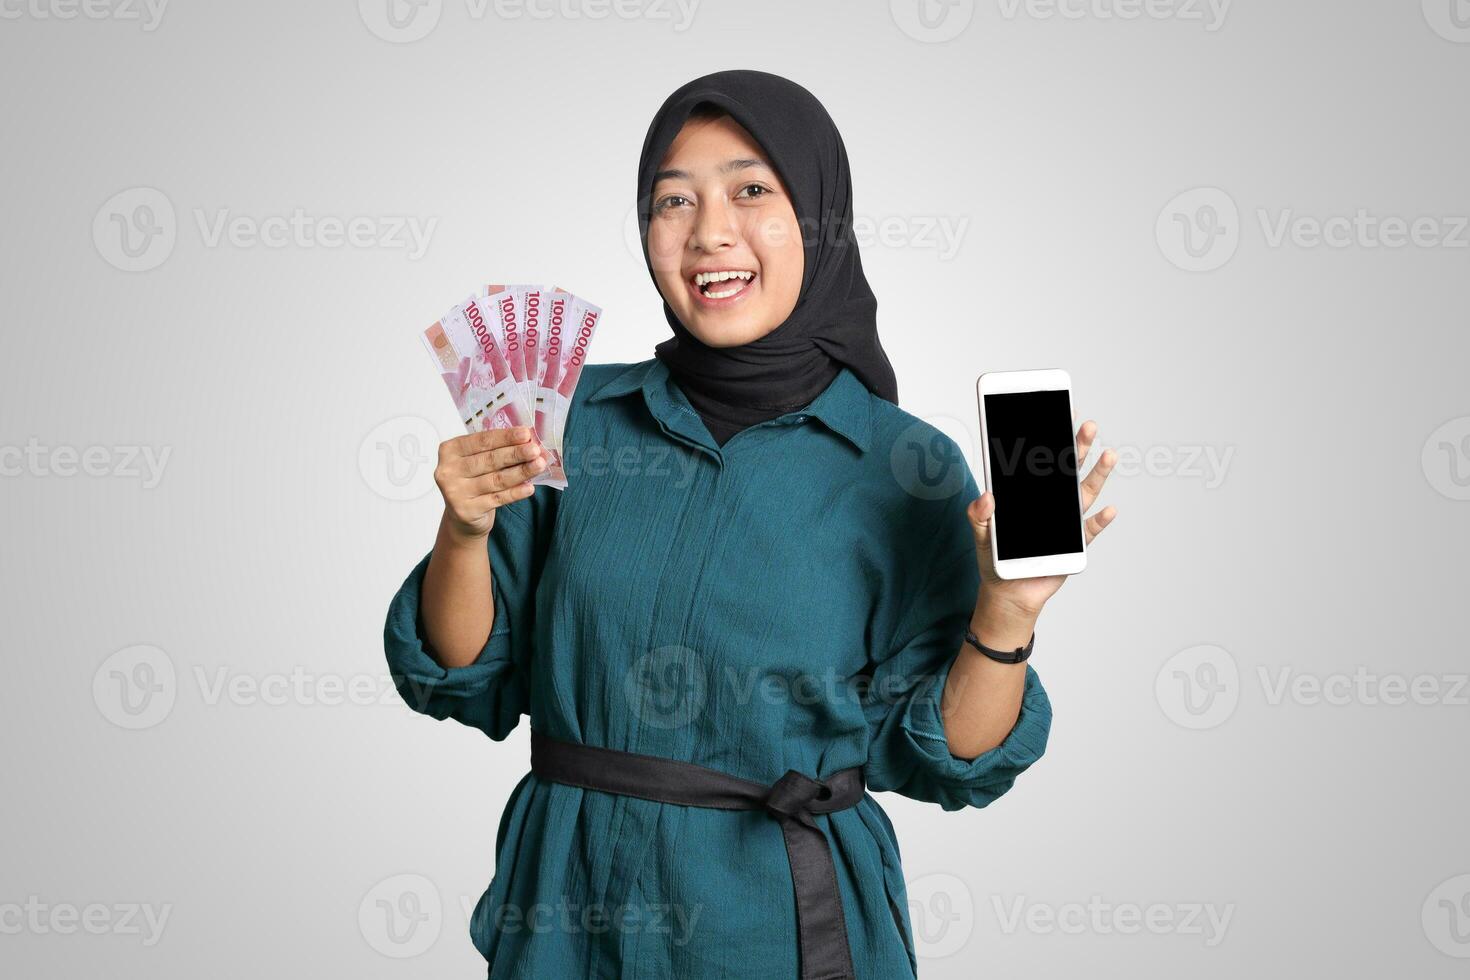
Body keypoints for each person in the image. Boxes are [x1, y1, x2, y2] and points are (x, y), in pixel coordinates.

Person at [385, 68, 1117, 980]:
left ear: (819, 217)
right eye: (672, 201)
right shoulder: (564, 419)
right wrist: (462, 533)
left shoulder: (906, 467)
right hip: (569, 919)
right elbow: (462, 676)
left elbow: (950, 756)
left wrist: (1006, 612)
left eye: (751, 190)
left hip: (778, 925)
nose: (709, 233)